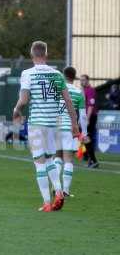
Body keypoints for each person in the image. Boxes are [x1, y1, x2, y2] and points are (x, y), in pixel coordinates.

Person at [13, 41, 79, 212]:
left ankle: (47, 203)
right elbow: (68, 101)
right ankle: (59, 192)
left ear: (32, 55)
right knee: (49, 159)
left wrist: (16, 109)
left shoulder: (28, 73)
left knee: (39, 162)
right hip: (53, 124)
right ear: (46, 55)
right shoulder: (57, 75)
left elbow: (24, 100)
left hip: (36, 123)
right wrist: (74, 124)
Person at [54, 67, 88, 198]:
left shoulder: (57, 90)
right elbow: (83, 116)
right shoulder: (78, 92)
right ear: (74, 77)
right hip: (70, 129)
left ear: (63, 76)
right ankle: (66, 190)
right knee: (68, 159)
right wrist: (83, 133)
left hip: (56, 127)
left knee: (57, 157)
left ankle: (56, 188)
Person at [80, 74, 99, 168]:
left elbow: (91, 106)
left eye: (83, 80)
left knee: (86, 137)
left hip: (91, 116)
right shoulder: (83, 90)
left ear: (88, 80)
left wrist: (87, 119)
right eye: (81, 80)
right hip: (86, 116)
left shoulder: (90, 90)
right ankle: (89, 157)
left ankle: (92, 160)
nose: (82, 82)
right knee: (85, 137)